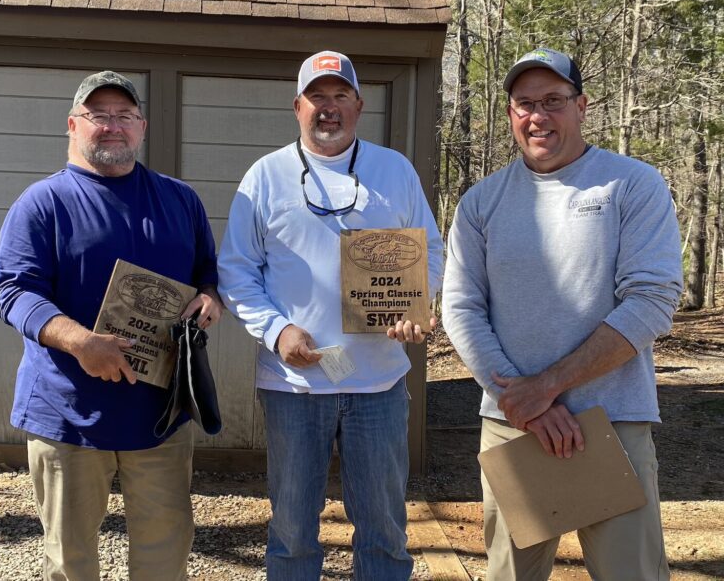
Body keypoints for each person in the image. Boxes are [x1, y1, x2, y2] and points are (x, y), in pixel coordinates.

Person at [442, 47, 682, 580]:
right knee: (511, 575)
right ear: (509, 113)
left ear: (582, 105)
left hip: (613, 419)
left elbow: (652, 301)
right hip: (514, 426)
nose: (538, 116)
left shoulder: (632, 185)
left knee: (631, 574)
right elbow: (461, 307)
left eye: (553, 100)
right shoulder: (481, 203)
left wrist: (546, 386)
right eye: (524, 103)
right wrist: (523, 401)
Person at [217, 50, 444, 580]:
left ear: (359, 105)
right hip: (293, 386)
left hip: (380, 384)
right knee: (293, 531)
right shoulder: (265, 177)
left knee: (385, 530)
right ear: (296, 106)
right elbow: (236, 270)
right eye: (317, 96)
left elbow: (429, 251)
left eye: (340, 95)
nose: (329, 108)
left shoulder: (394, 169)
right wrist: (277, 331)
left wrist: (416, 303)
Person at [0, 70, 224, 581]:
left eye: (124, 116)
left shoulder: (180, 200)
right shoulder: (42, 204)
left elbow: (208, 273)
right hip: (68, 413)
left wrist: (210, 299)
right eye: (99, 116)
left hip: (161, 412)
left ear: (141, 127)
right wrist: (80, 342)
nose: (112, 126)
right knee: (71, 561)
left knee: (165, 555)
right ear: (73, 125)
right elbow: (12, 291)